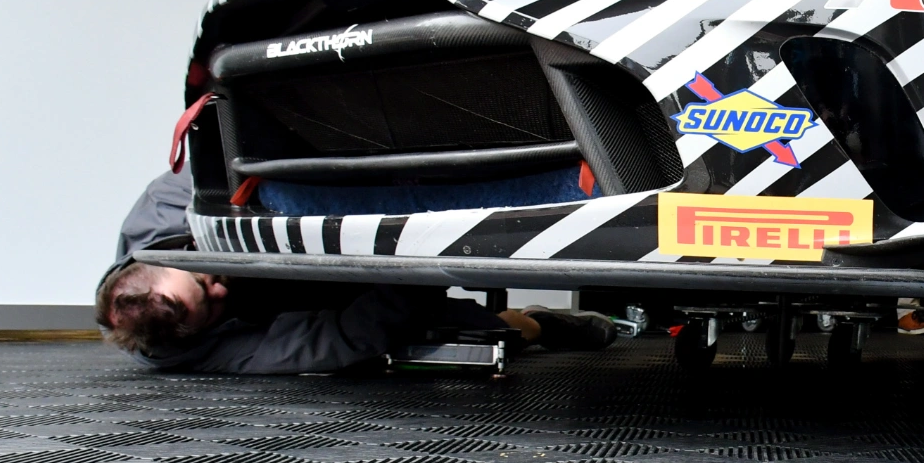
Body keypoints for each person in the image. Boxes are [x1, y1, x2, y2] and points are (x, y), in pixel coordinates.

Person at [96, 169, 613, 373]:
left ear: (157, 259)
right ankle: (540, 321)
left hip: (313, 208)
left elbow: (230, 162)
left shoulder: (162, 208)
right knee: (489, 337)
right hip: (355, 290)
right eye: (212, 305)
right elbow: (342, 337)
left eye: (204, 279)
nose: (221, 286)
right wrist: (415, 263)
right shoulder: (210, 351)